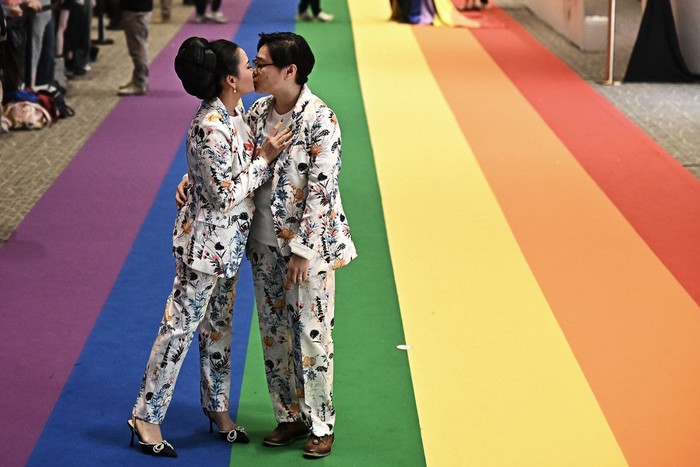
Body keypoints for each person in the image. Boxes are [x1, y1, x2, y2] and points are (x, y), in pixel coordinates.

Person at [177, 31, 357, 459]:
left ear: (290, 71)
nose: (253, 70)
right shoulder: (256, 113)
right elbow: (228, 161)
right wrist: (192, 180)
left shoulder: (321, 120)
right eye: (253, 63)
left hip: (306, 251)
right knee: (274, 335)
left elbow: (322, 193)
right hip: (260, 246)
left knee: (312, 336)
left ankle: (321, 423)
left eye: (262, 63)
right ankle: (289, 416)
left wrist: (303, 251)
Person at [128, 36, 292, 458]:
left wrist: (190, 181)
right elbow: (224, 193)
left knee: (218, 329)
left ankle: (217, 409)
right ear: (230, 80)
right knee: (179, 329)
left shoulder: (237, 115)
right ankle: (145, 415)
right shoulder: (209, 125)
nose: (253, 67)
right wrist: (265, 159)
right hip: (203, 249)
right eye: (245, 63)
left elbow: (209, 176)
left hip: (229, 247)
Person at [117, 0, 151, 95]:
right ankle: (139, 79)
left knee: (137, 47)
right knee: (139, 44)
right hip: (138, 8)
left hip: (136, 9)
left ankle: (139, 82)